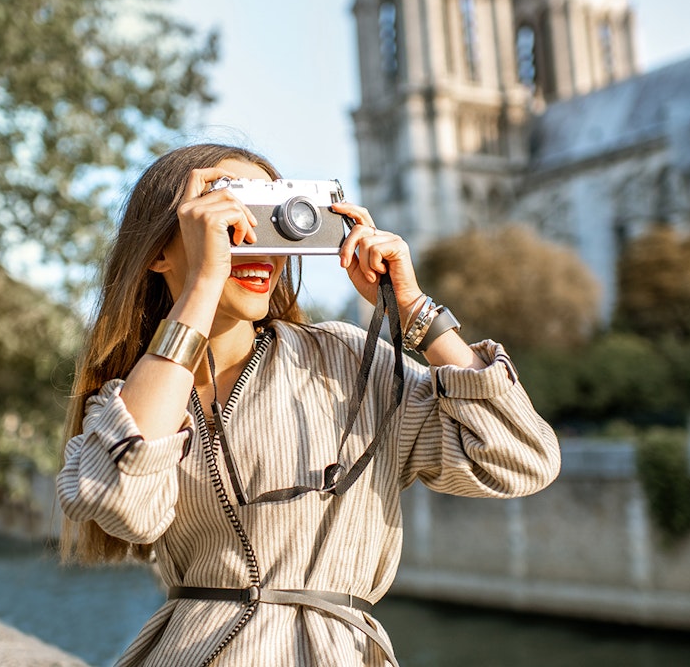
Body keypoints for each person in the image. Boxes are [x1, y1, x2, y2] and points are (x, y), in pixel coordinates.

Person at [57, 144, 560, 667]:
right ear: (161, 250)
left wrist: (413, 310)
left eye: (271, 221)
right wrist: (204, 283)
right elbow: (121, 506)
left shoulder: (344, 361)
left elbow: (522, 459)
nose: (259, 247)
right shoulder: (140, 393)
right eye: (233, 220)